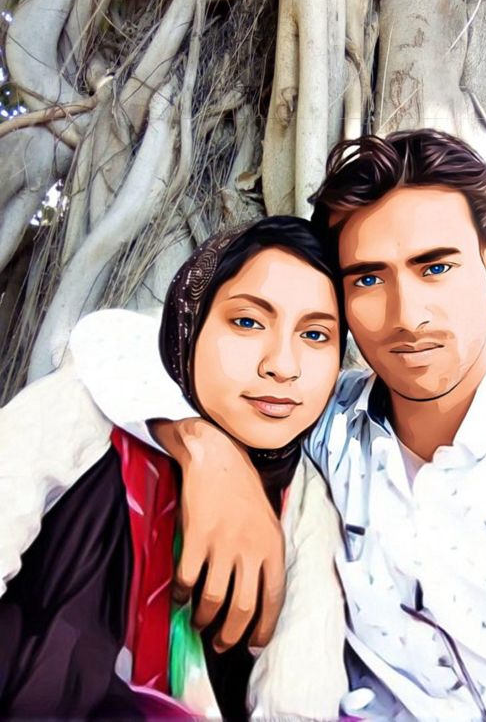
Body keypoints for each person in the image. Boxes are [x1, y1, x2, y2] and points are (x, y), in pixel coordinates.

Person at [6, 130, 486, 719]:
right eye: (368, 278)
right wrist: (203, 446)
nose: (406, 314)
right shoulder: (327, 421)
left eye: (435, 267)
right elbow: (116, 340)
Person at [0, 216, 348, 719]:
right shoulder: (85, 408)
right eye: (248, 323)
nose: (282, 365)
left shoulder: (307, 501)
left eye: (315, 334)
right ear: (190, 323)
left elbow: (299, 696)